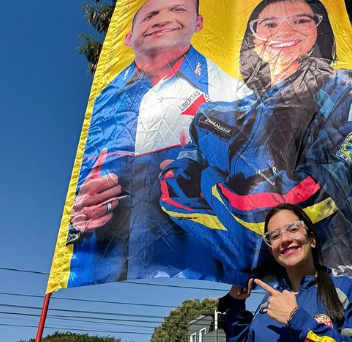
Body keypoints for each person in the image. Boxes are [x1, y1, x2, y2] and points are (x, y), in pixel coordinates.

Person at [159, 0, 352, 286]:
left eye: (301, 21)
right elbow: (170, 191)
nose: (284, 31)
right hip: (267, 297)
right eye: (270, 24)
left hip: (335, 279)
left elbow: (293, 205)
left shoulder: (344, 89)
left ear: (318, 30)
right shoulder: (216, 115)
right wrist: (237, 196)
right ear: (254, 39)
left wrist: (211, 179)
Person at [66, 0, 250, 286]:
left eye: (178, 9)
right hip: (104, 269)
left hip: (199, 270)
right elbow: (85, 194)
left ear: (198, 23)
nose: (162, 18)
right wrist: (81, 213)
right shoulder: (103, 101)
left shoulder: (229, 89)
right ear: (128, 38)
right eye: (150, 14)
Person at [220, 203, 352, 342]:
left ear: (312, 239)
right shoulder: (268, 303)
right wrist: (236, 305)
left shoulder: (345, 290)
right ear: (272, 252)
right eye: (275, 236)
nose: (285, 239)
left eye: (293, 229)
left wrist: (296, 318)